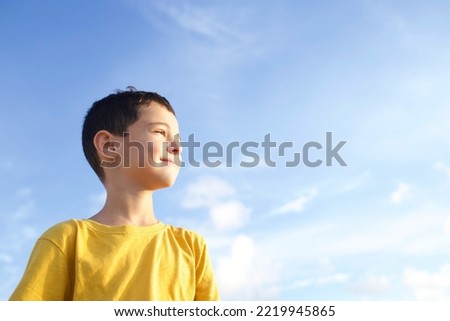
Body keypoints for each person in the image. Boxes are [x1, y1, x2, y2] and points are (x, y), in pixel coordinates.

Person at [9, 87, 220, 301]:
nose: (177, 147)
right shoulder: (67, 240)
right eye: (160, 132)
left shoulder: (191, 246)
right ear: (109, 146)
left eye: (178, 139)